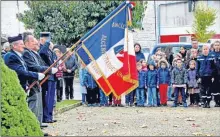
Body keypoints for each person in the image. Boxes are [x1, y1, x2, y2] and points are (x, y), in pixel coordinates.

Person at [3, 34, 48, 135]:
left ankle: (33, 129)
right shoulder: (11, 56)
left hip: (24, 86)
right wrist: (36, 75)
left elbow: (24, 70)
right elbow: (20, 71)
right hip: (16, 88)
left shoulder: (18, 55)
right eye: (21, 44)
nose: (23, 46)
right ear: (14, 46)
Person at [22, 33, 58, 129]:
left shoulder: (33, 53)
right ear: (27, 43)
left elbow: (41, 64)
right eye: (33, 41)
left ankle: (38, 122)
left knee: (39, 103)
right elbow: (33, 66)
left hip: (37, 80)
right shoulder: (26, 53)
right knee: (34, 103)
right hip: (31, 80)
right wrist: (49, 70)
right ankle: (34, 125)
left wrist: (49, 69)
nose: (36, 42)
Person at [38, 32, 57, 123]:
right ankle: (45, 117)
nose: (49, 42)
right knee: (46, 98)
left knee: (51, 99)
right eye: (47, 40)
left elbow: (53, 60)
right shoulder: (41, 48)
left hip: (52, 77)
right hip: (46, 77)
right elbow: (42, 52)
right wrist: (46, 43)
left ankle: (49, 116)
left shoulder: (49, 51)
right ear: (42, 40)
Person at [210, 41, 220, 107]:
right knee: (215, 88)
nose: (217, 46)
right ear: (213, 46)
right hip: (214, 74)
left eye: (218, 45)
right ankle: (216, 102)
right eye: (215, 45)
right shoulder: (211, 54)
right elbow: (210, 65)